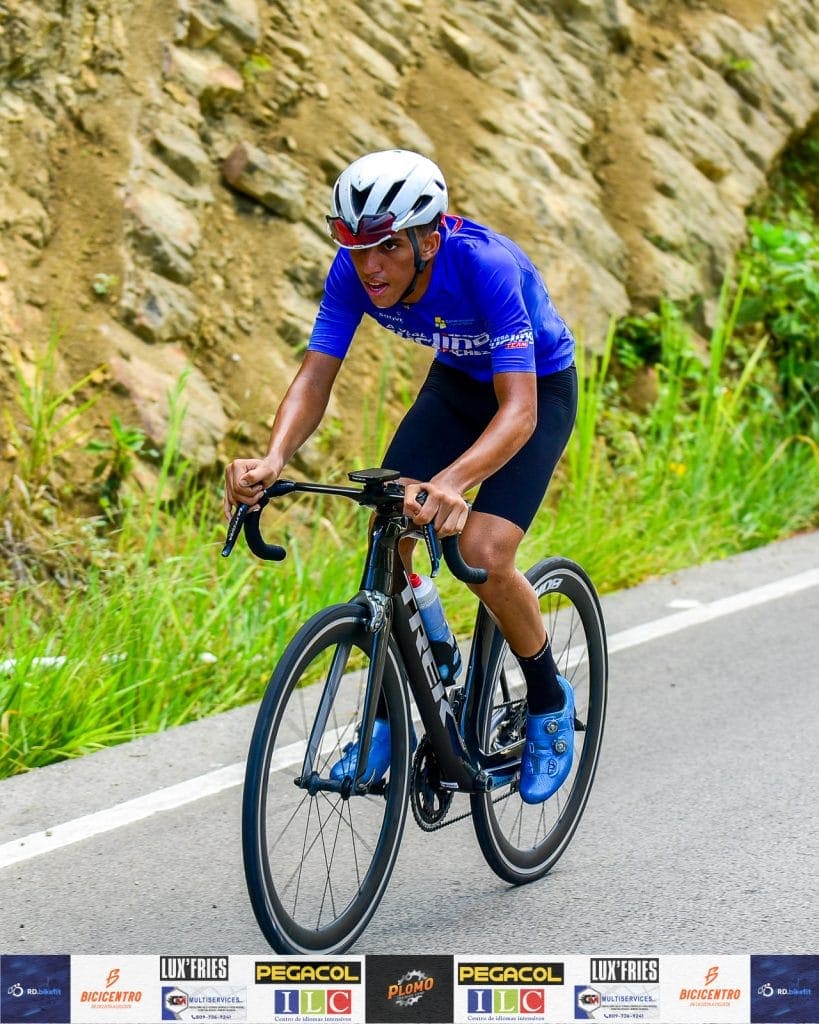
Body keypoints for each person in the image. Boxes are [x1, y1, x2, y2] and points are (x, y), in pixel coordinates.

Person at [224, 149, 578, 804]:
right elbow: (315, 374)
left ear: (428, 235)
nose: (368, 267)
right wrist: (273, 458)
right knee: (390, 520)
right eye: (353, 247)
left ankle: (550, 702)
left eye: (385, 248)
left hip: (533, 390)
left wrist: (454, 480)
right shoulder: (353, 273)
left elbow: (520, 413)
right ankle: (412, 678)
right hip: (455, 386)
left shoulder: (484, 265)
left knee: (481, 553)